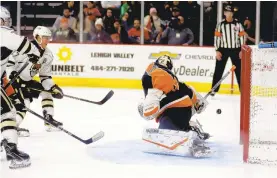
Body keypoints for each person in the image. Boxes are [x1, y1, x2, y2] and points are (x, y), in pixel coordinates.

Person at [138, 55, 211, 157]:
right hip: (183, 111)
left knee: (164, 120)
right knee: (172, 121)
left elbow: (151, 104)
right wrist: (199, 103)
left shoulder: (153, 71)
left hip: (174, 112)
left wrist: (146, 109)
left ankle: (189, 129)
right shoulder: (176, 81)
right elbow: (191, 92)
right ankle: (190, 128)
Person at [0, 6, 40, 169]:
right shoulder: (3, 35)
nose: (8, 23)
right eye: (6, 20)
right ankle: (12, 152)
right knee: (7, 113)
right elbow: (24, 44)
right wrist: (34, 53)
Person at [6, 26, 64, 137]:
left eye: (48, 38)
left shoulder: (48, 55)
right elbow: (9, 60)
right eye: (45, 37)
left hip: (27, 81)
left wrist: (52, 87)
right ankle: (12, 128)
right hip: (15, 81)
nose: (47, 40)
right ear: (37, 37)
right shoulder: (25, 48)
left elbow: (45, 76)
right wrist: (11, 75)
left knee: (47, 93)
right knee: (24, 104)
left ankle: (49, 121)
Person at [212, 5, 245, 96]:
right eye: (227, 12)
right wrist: (217, 50)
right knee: (218, 70)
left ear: (232, 13)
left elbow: (241, 37)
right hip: (223, 50)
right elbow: (217, 38)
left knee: (239, 71)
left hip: (236, 50)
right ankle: (214, 90)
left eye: (230, 12)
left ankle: (243, 90)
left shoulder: (238, 24)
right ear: (224, 13)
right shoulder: (220, 25)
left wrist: (241, 50)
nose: (229, 14)